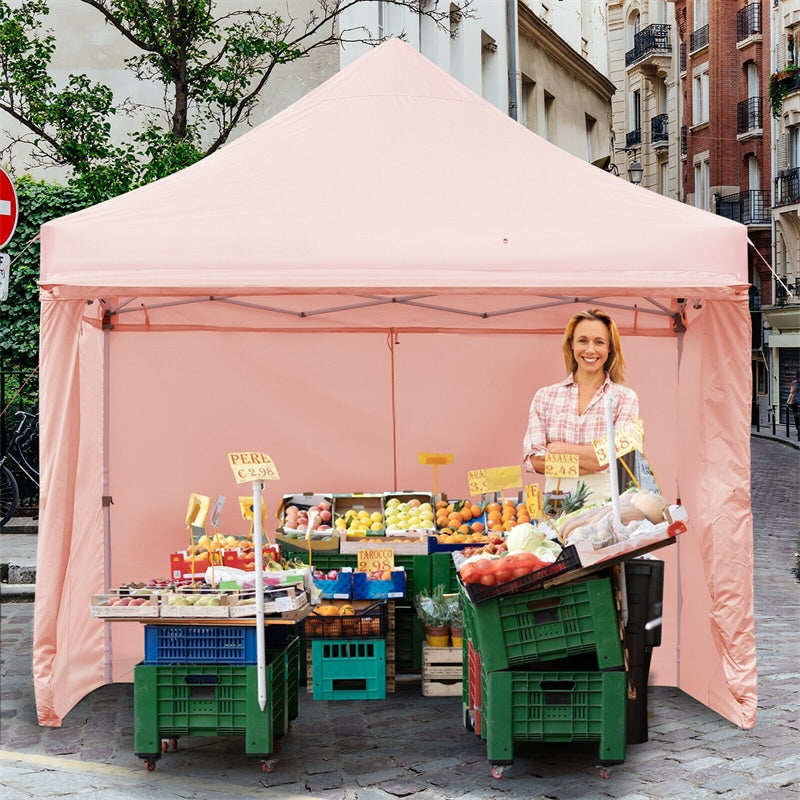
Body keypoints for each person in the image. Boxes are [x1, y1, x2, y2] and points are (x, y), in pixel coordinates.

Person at [523, 308, 640, 504]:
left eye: (599, 342)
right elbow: (534, 461)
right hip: (555, 505)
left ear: (610, 348)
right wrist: (594, 460)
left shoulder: (624, 398)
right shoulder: (545, 397)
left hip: (605, 507)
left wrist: (557, 448)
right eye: (583, 340)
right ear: (571, 345)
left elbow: (613, 459)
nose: (590, 350)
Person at [788, 370, 800, 437]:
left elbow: (791, 393)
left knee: (796, 417)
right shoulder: (794, 383)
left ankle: (798, 430)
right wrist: (789, 401)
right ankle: (798, 430)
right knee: (796, 417)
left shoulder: (794, 383)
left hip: (795, 402)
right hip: (795, 403)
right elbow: (791, 393)